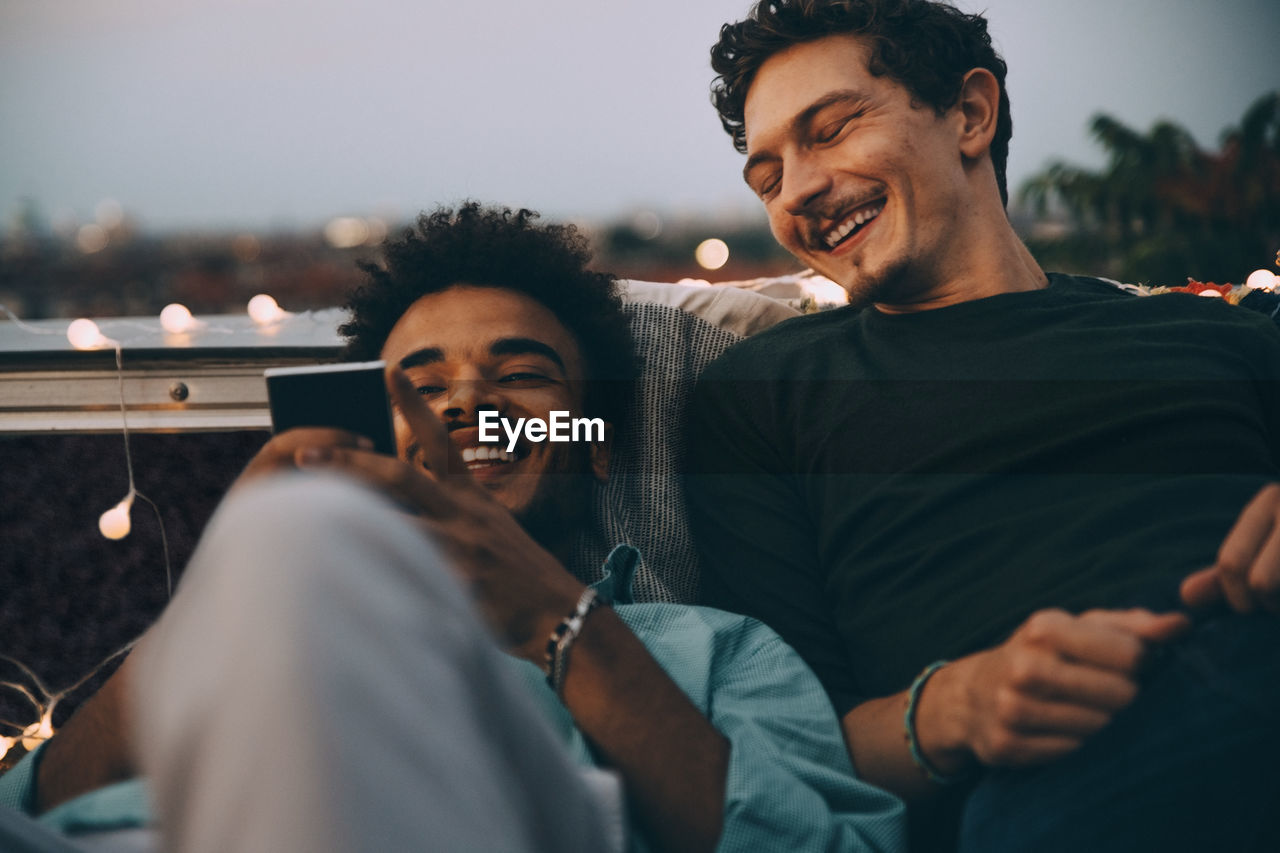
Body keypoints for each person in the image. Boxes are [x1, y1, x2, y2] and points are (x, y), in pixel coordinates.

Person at [0, 203, 905, 853]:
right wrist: (222, 594)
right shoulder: (255, 620)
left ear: (594, 445)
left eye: (521, 377)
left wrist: (564, 624)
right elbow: (29, 816)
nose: (470, 404)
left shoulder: (712, 655)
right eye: (423, 390)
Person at [686, 1, 1280, 851]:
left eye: (832, 129)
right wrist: (957, 706)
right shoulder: (761, 395)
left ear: (970, 113)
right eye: (768, 175)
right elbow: (785, 748)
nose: (801, 189)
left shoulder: (1218, 335)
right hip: (1050, 786)